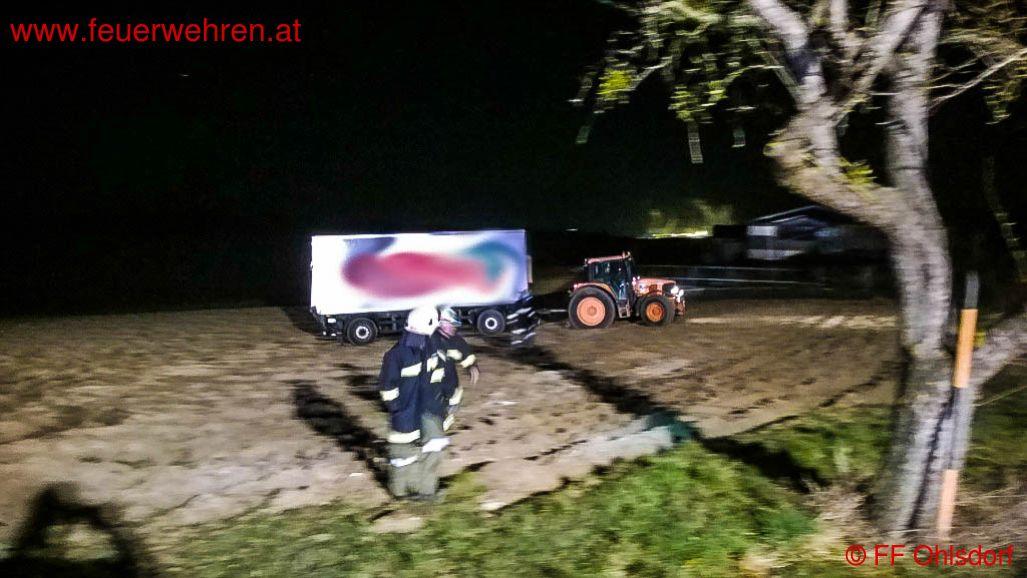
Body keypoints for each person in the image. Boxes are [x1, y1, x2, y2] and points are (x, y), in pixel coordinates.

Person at [377, 305, 450, 501]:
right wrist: (398, 410)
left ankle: (426, 491)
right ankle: (400, 493)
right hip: (406, 415)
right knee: (402, 456)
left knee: (432, 449)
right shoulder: (397, 355)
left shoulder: (429, 348)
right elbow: (387, 388)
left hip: (425, 412)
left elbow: (437, 379)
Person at [435, 307, 480, 432]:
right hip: (433, 385)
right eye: (452, 324)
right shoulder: (429, 340)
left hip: (450, 384)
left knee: (452, 399)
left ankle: (448, 413)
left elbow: (467, 355)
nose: (454, 328)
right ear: (442, 324)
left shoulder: (456, 340)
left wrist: (472, 367)